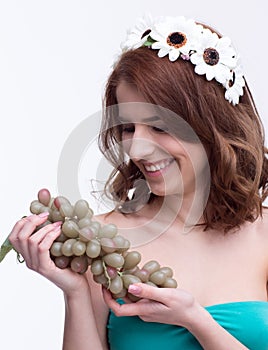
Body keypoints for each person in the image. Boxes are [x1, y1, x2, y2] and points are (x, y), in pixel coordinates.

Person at [8, 14, 268, 350]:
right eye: (128, 128)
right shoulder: (104, 242)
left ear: (213, 127)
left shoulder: (264, 235)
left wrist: (195, 320)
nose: (136, 147)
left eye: (159, 127)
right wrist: (75, 294)